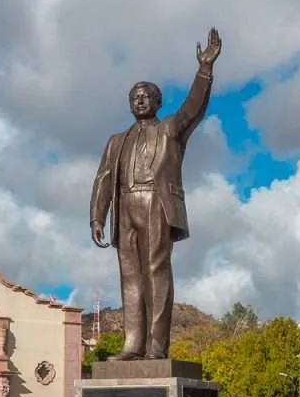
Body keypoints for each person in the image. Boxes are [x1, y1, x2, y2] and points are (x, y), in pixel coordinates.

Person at [90, 29, 221, 360]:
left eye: (145, 95)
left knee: (155, 271)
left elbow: (194, 108)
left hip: (155, 203)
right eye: (134, 96)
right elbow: (104, 178)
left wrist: (204, 70)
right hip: (124, 207)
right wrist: (97, 216)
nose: (138, 100)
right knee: (130, 277)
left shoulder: (170, 130)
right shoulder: (116, 140)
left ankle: (157, 347)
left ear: (158, 101)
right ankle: (133, 345)